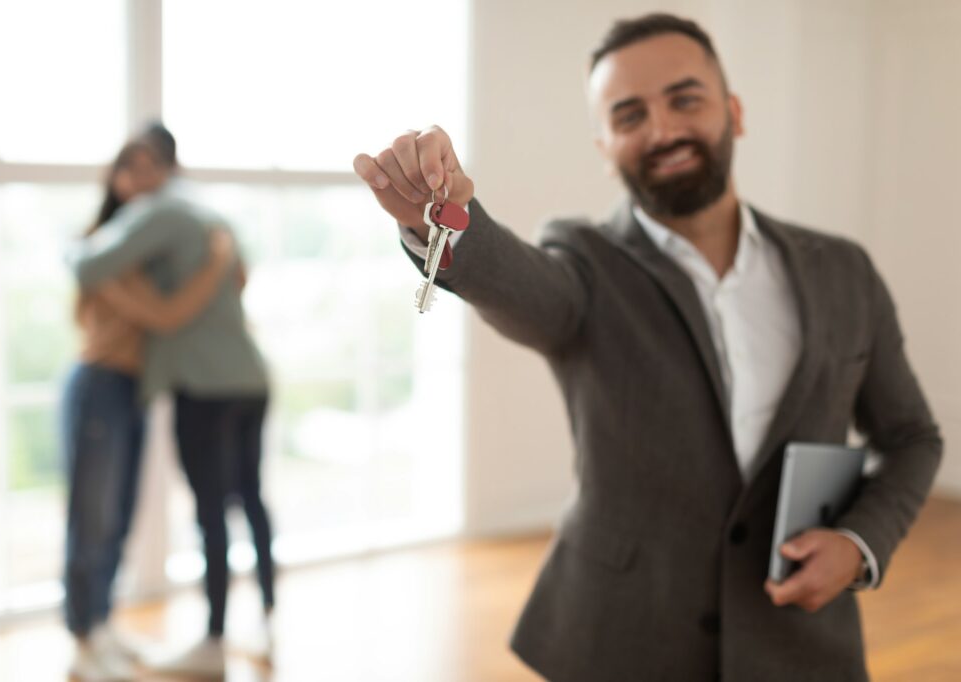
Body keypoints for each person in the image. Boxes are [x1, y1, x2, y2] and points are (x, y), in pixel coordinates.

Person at [353, 13, 943, 682]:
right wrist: (448, 220)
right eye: (629, 115)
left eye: (685, 99)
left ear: (735, 111)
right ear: (605, 146)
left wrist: (859, 541)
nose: (661, 130)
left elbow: (912, 435)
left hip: (800, 641)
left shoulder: (843, 270)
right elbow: (517, 283)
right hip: (620, 641)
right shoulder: (583, 260)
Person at [66, 123, 276, 677]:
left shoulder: (155, 224)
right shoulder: (185, 223)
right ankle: (92, 638)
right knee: (101, 518)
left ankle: (145, 635)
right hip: (122, 380)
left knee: (140, 517)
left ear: (163, 166)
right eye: (125, 167)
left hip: (164, 386)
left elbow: (95, 268)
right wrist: (214, 266)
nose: (135, 177)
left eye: (143, 165)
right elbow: (178, 307)